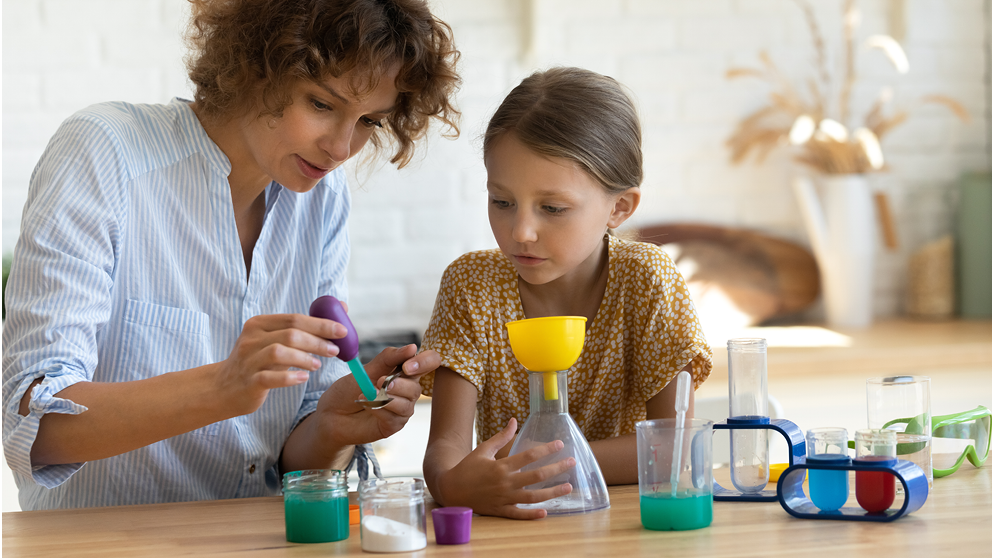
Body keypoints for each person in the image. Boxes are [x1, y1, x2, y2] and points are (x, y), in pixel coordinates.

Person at [1, 0, 460, 511]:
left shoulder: (323, 200)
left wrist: (330, 428)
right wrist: (220, 386)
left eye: (369, 120)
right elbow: (35, 425)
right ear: (257, 61)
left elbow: (288, 467)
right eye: (322, 104)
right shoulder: (105, 152)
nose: (340, 147)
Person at [419, 67, 713, 519]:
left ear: (619, 207)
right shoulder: (471, 285)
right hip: (509, 535)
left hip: (625, 529)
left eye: (552, 208)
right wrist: (450, 483)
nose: (521, 231)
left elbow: (674, 448)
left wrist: (523, 468)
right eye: (502, 202)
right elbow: (446, 453)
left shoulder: (647, 280)